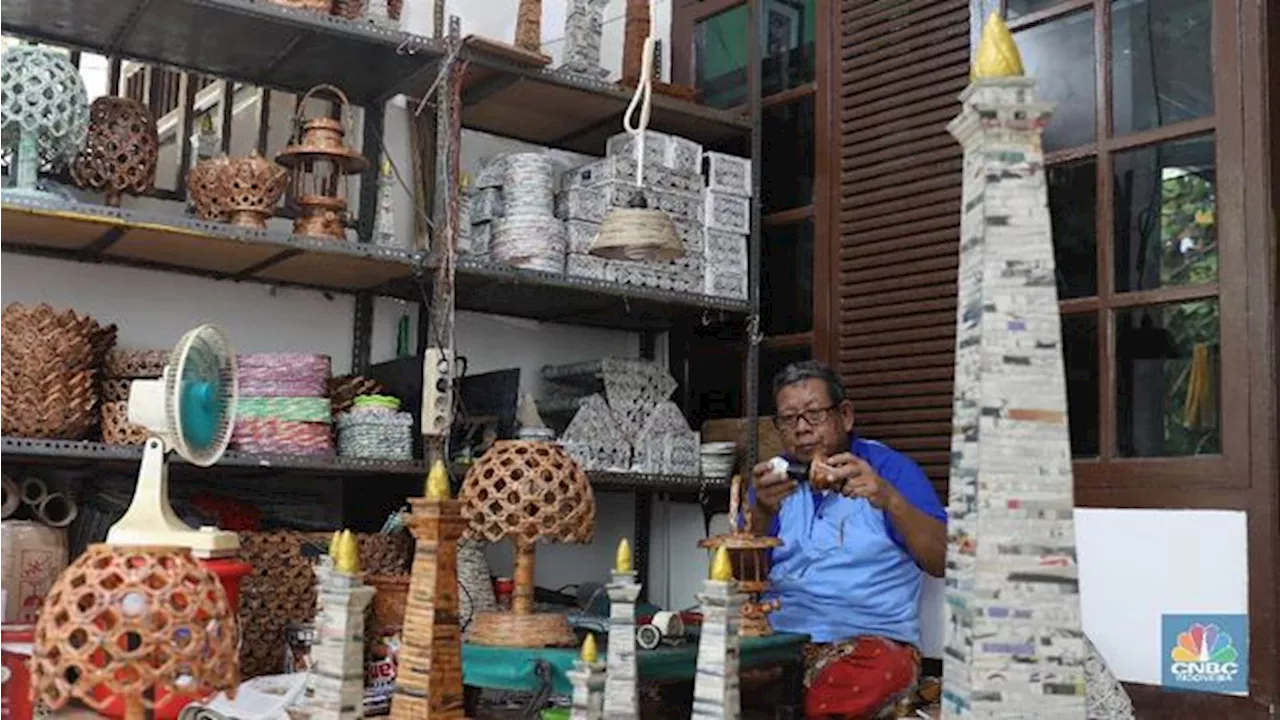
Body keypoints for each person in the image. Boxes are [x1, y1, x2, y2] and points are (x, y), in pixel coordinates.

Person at [749, 360, 947, 719]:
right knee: (685, 669)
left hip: (868, 641)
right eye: (788, 419)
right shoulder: (774, 480)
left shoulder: (890, 471)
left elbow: (942, 560)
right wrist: (761, 513)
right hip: (780, 638)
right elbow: (741, 581)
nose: (802, 430)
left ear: (845, 415)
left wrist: (890, 499)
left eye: (814, 415)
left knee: (843, 693)